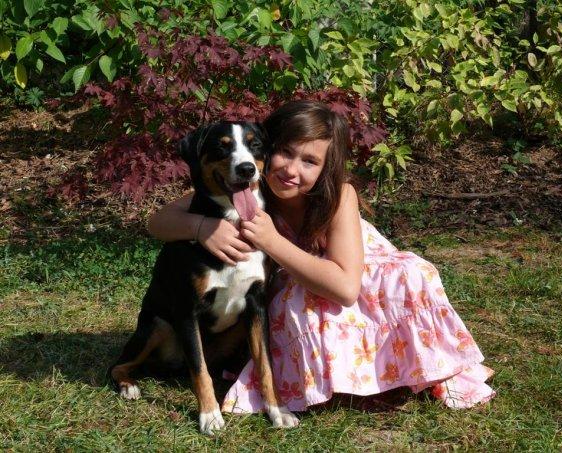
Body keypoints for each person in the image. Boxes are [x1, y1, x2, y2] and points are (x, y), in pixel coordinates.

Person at [148, 100, 495, 413]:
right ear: (267, 149)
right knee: (296, 308)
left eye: (310, 161)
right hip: (305, 284)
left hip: (358, 281)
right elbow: (157, 222)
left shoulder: (339, 196)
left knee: (400, 281)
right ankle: (350, 380)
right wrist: (201, 227)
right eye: (285, 152)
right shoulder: (249, 184)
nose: (291, 169)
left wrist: (272, 241)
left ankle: (415, 367)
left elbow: (346, 288)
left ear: (326, 168)